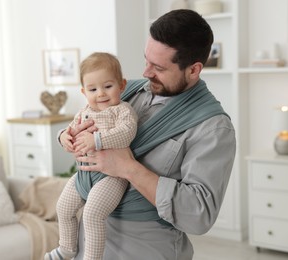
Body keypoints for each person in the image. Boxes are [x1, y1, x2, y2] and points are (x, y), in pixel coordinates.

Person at [61, 9, 236, 260]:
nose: (145, 72)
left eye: (158, 67)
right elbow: (87, 131)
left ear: (194, 69)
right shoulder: (124, 93)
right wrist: (72, 136)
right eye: (146, 60)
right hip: (88, 245)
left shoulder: (213, 128)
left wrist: (128, 168)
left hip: (145, 249)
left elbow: (200, 214)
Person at [44, 52, 138, 260]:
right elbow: (70, 130)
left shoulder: (122, 111)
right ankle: (67, 247)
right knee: (63, 208)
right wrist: (64, 138)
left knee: (92, 214)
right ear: (84, 92)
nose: (101, 94)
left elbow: (126, 133)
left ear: (122, 85)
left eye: (108, 86)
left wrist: (97, 140)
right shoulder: (83, 112)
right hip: (84, 174)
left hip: (111, 176)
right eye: (93, 89)